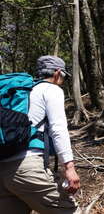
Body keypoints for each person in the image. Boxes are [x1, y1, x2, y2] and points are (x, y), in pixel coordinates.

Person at [0, 55, 81, 214]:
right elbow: (58, 129)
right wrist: (69, 167)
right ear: (58, 73)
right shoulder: (51, 90)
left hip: (2, 169)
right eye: (63, 76)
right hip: (26, 167)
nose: (62, 81)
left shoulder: (23, 92)